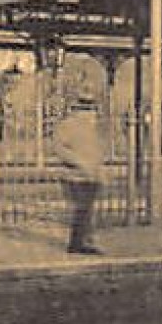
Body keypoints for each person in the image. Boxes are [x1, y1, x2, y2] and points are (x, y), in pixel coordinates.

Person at [50, 86, 105, 254]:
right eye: (85, 108)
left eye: (90, 108)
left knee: (88, 210)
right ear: (76, 109)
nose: (89, 112)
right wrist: (79, 162)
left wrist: (98, 170)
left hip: (91, 175)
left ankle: (84, 242)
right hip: (74, 175)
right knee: (81, 209)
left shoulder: (93, 129)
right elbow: (59, 149)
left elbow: (97, 152)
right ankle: (76, 244)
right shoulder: (66, 126)